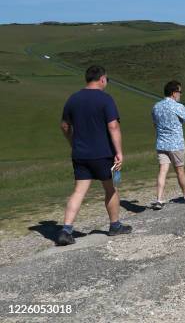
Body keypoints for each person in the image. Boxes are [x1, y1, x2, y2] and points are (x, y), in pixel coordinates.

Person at [58, 66, 131, 246]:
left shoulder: (73, 99)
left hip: (80, 154)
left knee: (79, 191)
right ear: (102, 79)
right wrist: (119, 152)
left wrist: (73, 143)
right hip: (103, 153)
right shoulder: (105, 99)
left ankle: (66, 229)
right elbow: (113, 126)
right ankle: (115, 225)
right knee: (110, 188)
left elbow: (65, 126)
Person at [151, 81, 185, 210]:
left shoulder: (156, 106)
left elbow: (155, 125)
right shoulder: (178, 106)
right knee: (180, 171)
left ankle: (159, 200)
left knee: (162, 171)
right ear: (174, 93)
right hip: (176, 144)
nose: (180, 94)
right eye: (180, 92)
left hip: (161, 144)